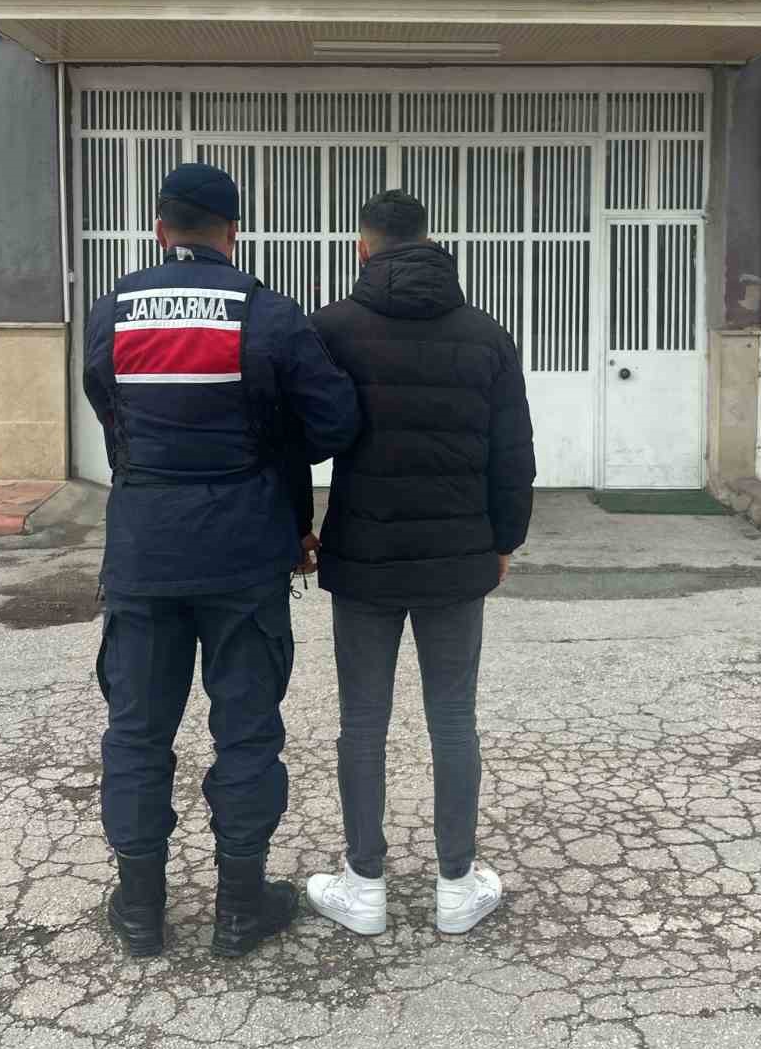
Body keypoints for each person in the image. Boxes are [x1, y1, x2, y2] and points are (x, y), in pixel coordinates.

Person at [83, 162, 360, 959]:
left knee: (137, 732)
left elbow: (108, 407)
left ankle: (140, 912)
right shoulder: (265, 312)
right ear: (233, 232)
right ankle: (241, 910)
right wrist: (273, 453)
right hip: (243, 553)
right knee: (246, 732)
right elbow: (335, 420)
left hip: (143, 550)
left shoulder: (113, 309)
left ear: (159, 228)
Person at [305, 189, 535, 937]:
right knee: (453, 718)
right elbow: (514, 453)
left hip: (363, 556)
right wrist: (504, 541)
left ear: (362, 247)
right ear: (431, 242)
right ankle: (456, 886)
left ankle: (363, 886)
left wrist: (296, 530)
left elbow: (295, 438)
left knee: (362, 721)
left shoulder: (331, 329)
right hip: (456, 559)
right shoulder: (486, 334)